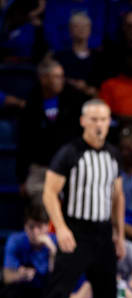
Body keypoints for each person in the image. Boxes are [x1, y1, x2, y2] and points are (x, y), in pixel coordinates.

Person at [21, 99, 126, 298]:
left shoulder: (113, 155)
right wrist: (62, 228)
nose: (99, 124)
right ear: (83, 121)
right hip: (76, 231)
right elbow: (49, 192)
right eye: (94, 119)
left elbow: (117, 196)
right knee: (57, 292)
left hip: (103, 232)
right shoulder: (69, 153)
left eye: (103, 119)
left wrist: (119, 234)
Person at [17, 58, 85, 198]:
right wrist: (22, 179)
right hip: (40, 168)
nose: (61, 80)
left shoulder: (74, 102)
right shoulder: (31, 106)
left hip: (68, 168)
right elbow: (24, 143)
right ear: (43, 79)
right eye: (56, 76)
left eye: (61, 76)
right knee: (38, 207)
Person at [1, 204, 56, 298]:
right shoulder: (16, 241)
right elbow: (6, 276)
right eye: (31, 227)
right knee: (9, 292)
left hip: (45, 295)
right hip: (24, 295)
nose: (35, 232)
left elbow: (58, 280)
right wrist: (21, 275)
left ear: (47, 227)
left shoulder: (55, 243)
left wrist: (52, 253)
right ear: (25, 227)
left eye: (39, 227)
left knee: (54, 296)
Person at [53, 12, 102, 98]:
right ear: (70, 30)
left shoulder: (99, 58)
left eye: (85, 26)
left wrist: (90, 89)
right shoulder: (60, 57)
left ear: (90, 29)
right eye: (76, 26)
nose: (81, 29)